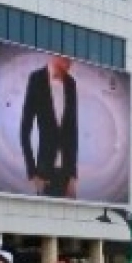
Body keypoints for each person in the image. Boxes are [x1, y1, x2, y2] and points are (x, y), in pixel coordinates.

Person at [21, 55, 78, 198]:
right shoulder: (36, 79)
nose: (70, 62)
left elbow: (73, 132)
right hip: (44, 172)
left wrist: (73, 175)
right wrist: (33, 173)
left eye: (71, 59)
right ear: (54, 56)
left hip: (67, 174)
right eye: (66, 58)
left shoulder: (71, 83)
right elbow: (24, 130)